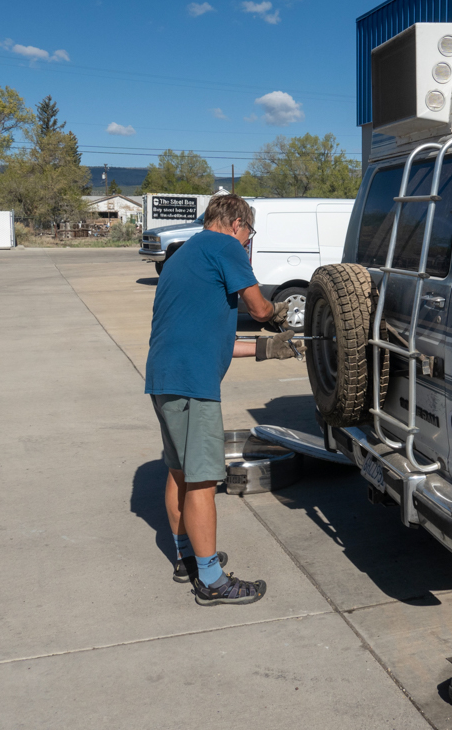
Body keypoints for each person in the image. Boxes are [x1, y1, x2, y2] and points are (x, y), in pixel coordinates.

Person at [145, 194, 299, 606]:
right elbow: (258, 305)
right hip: (194, 383)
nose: (247, 241)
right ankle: (211, 579)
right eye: (249, 233)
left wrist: (271, 349)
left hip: (164, 377)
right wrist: (275, 314)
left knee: (178, 471)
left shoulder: (183, 255)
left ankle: (187, 557)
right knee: (202, 480)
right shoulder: (225, 246)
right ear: (236, 224)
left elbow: (213, 337)